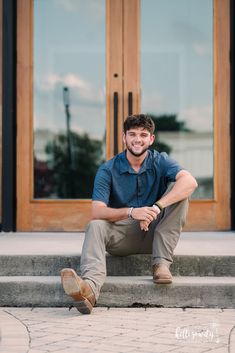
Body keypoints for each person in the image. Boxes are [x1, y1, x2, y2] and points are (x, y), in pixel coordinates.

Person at [61, 114, 198, 314]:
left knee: (180, 192)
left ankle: (160, 264)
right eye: (132, 134)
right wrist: (133, 213)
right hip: (123, 236)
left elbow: (190, 182)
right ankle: (89, 288)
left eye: (143, 135)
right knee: (95, 225)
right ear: (124, 137)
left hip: (157, 234)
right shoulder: (108, 169)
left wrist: (155, 208)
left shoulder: (160, 160)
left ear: (151, 139)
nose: (137, 139)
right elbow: (97, 211)